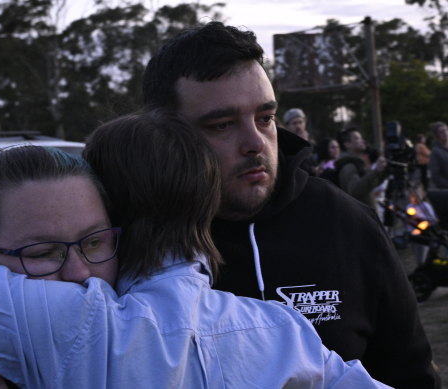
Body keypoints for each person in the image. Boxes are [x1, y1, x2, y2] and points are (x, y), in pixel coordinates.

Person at [0, 112, 390, 388]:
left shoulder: (67, 327)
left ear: (118, 218)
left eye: (94, 242)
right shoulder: (281, 330)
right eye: (42, 251)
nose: (80, 275)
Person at [142, 21, 438, 388]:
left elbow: (411, 374)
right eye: (221, 125)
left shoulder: (346, 222)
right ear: (163, 134)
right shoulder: (130, 237)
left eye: (265, 118)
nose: (256, 143)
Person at [335, 126, 388, 209]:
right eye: (357, 138)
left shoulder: (356, 163)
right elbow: (356, 191)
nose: (363, 141)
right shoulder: (348, 165)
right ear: (347, 144)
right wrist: (376, 171)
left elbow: (369, 185)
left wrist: (383, 172)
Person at [429, 121, 448, 189]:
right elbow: (435, 176)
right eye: (441, 132)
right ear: (437, 135)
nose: (445, 133)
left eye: (446, 130)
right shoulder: (435, 152)